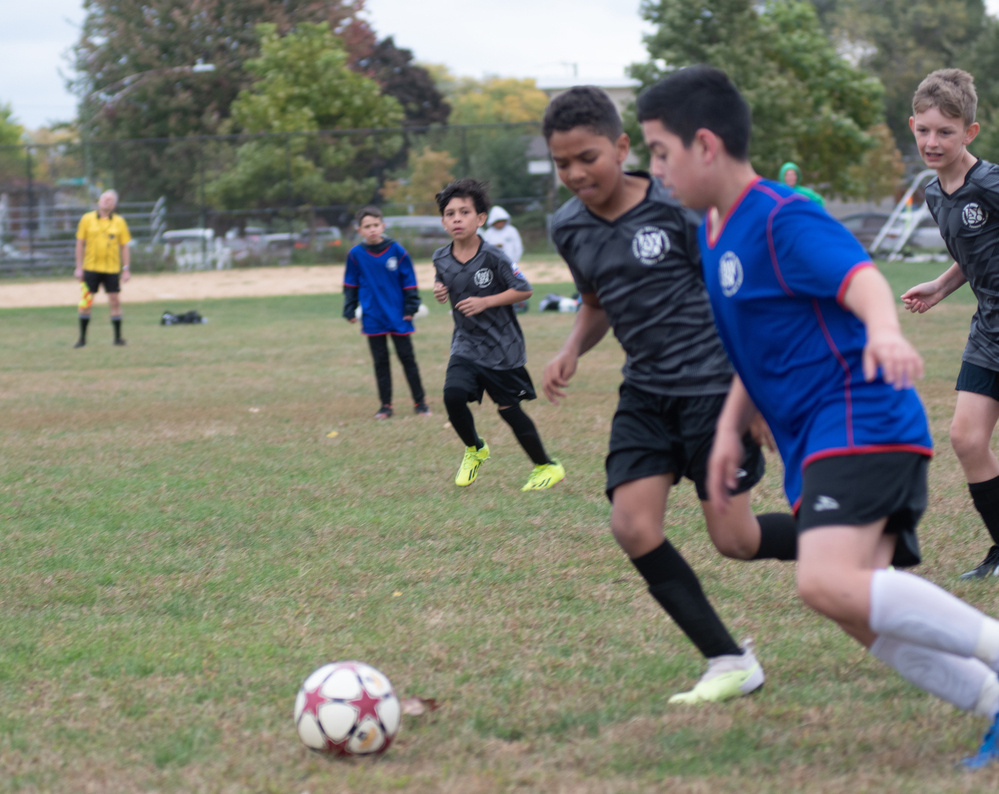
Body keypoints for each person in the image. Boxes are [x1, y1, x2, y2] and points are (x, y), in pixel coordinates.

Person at [638, 63, 999, 768]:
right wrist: (725, 427)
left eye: (658, 151)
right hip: (813, 440)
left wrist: (886, 329)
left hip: (860, 414)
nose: (653, 169)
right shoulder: (712, 235)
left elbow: (859, 277)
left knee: (822, 580)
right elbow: (753, 347)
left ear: (704, 145)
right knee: (849, 607)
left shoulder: (778, 214)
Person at [541, 85, 798, 705]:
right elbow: (598, 302)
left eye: (589, 157)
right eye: (562, 163)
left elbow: (737, 298)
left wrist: (755, 393)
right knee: (632, 526)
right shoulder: (567, 227)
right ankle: (728, 660)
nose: (576, 173)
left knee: (734, 541)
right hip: (646, 394)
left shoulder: (679, 208)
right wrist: (574, 346)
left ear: (623, 147)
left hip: (715, 393)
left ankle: (857, 534)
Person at [901, 69, 999, 580]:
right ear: (913, 125)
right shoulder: (936, 194)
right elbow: (974, 253)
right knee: (965, 438)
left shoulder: (991, 183)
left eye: (946, 131)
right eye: (925, 131)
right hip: (990, 329)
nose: (933, 142)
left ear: (970, 133)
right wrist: (940, 286)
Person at [432, 178, 565, 491]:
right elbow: (445, 280)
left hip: (501, 347)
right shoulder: (440, 257)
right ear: (443, 221)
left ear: (481, 219)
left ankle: (546, 466)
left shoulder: (494, 256)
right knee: (452, 396)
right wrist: (440, 290)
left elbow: (525, 290)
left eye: (464, 212)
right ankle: (475, 449)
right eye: (450, 214)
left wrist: (486, 301)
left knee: (508, 411)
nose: (457, 219)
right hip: (465, 343)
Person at [343, 206, 430, 419]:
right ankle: (386, 407)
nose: (372, 229)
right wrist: (349, 308)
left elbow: (409, 281)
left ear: (383, 226)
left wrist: (411, 307)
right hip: (373, 316)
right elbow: (350, 284)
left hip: (399, 315)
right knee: (380, 362)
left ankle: (420, 403)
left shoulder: (397, 250)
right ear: (359, 230)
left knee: (407, 360)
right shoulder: (355, 255)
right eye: (367, 226)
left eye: (375, 225)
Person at [74, 189, 131, 348]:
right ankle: (82, 339)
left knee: (115, 301)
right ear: (99, 202)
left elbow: (124, 246)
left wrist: (126, 269)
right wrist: (79, 267)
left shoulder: (119, 222)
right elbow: (80, 243)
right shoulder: (87, 219)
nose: (107, 201)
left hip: (111, 269)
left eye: (111, 200)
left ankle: (118, 338)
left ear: (114, 205)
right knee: (86, 302)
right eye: (105, 198)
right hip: (90, 268)